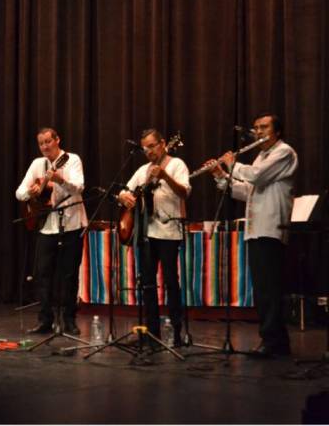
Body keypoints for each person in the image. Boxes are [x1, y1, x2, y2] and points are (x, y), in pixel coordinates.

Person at [207, 113, 298, 357]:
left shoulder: (284, 152)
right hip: (255, 229)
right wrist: (221, 177)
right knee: (261, 289)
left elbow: (256, 176)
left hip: (272, 227)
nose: (259, 131)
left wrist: (232, 163)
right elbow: (247, 191)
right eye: (256, 127)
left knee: (270, 288)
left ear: (277, 131)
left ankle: (276, 343)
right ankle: (271, 340)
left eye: (264, 127)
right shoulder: (261, 156)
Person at [118, 128, 190, 347]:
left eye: (152, 146)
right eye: (144, 148)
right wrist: (125, 197)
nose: (148, 151)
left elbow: (185, 192)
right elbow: (124, 191)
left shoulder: (177, 165)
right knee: (147, 283)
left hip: (169, 232)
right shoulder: (143, 170)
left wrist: (165, 176)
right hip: (146, 233)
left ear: (163, 144)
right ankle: (151, 332)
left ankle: (177, 332)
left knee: (170, 281)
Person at [15, 127, 88, 335]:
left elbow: (79, 187)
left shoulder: (71, 160)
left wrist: (59, 180)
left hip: (71, 224)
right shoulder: (38, 164)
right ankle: (45, 320)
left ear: (57, 140)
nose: (45, 146)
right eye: (41, 143)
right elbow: (19, 193)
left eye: (48, 141)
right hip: (46, 225)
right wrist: (31, 191)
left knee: (69, 274)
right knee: (42, 274)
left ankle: (69, 320)